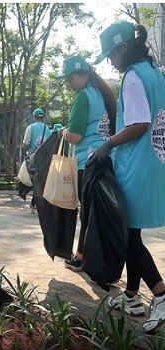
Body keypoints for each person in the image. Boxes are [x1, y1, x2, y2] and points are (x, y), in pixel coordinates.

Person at [91, 21, 165, 332]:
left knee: (128, 238)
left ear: (123, 49)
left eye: (111, 54)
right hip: (155, 163)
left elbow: (139, 123)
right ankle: (133, 296)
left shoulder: (133, 77)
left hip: (135, 165)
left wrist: (106, 145)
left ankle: (161, 294)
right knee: (132, 233)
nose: (109, 61)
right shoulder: (155, 72)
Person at [54, 55, 116, 272]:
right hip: (106, 159)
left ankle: (81, 258)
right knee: (98, 213)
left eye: (71, 79)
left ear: (83, 75)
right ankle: (101, 260)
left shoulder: (83, 97)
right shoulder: (104, 94)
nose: (69, 84)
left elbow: (75, 136)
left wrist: (63, 131)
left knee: (88, 213)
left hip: (86, 164)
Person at [21, 108, 52, 213]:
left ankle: (34, 204)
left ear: (34, 117)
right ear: (42, 118)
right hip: (46, 159)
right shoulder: (47, 129)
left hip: (34, 158)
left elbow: (25, 143)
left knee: (33, 182)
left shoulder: (31, 127)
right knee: (41, 182)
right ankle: (35, 204)